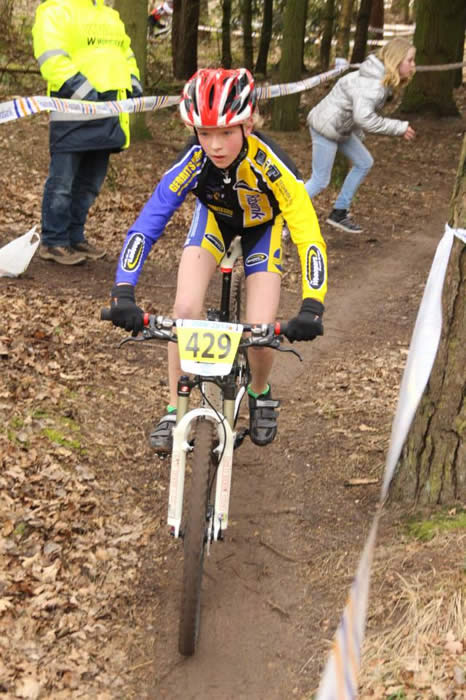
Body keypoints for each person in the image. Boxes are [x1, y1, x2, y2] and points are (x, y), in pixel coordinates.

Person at [108, 68, 328, 454]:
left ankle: (259, 391)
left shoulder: (272, 164)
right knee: (183, 311)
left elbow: (309, 236)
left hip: (262, 229)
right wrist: (123, 290)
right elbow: (146, 225)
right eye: (205, 133)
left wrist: (313, 305)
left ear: (248, 124)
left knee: (261, 329)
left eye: (226, 132)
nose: (215, 145)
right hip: (213, 222)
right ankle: (174, 409)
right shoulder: (194, 159)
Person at [32, 0, 143, 265]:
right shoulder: (56, 10)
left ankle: (74, 236)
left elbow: (125, 54)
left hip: (108, 111)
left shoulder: (110, 15)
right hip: (74, 110)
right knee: (62, 183)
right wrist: (84, 92)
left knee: (90, 184)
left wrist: (133, 82)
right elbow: (51, 57)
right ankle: (54, 241)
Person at [305, 37, 416, 234]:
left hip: (340, 129)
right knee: (320, 180)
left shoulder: (377, 77)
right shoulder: (373, 84)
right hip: (325, 128)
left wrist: (356, 132)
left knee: (364, 162)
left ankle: (339, 212)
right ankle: (282, 215)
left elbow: (353, 107)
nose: (413, 65)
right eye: (410, 60)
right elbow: (364, 118)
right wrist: (398, 128)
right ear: (396, 60)